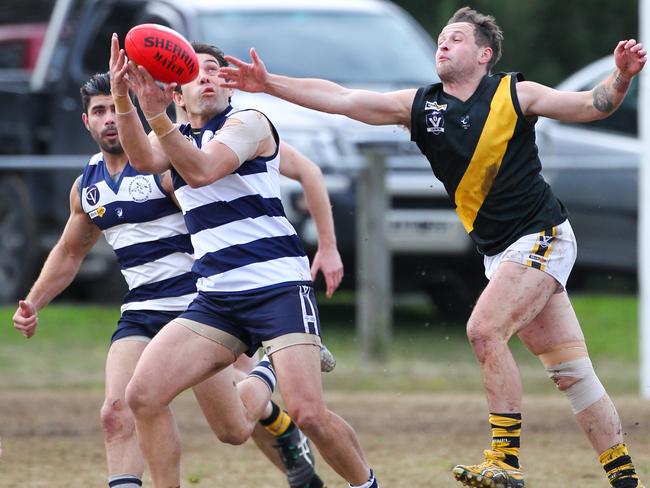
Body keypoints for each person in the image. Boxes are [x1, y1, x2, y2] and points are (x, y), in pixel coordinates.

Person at [219, 7, 647, 488]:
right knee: (571, 373)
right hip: (500, 253)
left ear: (484, 55)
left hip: (541, 235)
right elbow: (342, 98)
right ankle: (625, 479)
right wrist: (269, 82)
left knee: (484, 331)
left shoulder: (514, 93)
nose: (443, 44)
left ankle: (504, 462)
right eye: (441, 37)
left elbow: (593, 104)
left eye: (457, 38)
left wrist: (621, 76)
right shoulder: (421, 106)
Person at [11, 71, 343, 488]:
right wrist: (34, 302)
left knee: (235, 428)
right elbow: (70, 251)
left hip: (198, 308)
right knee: (117, 411)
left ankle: (269, 371)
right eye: (99, 112)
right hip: (141, 312)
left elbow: (223, 203)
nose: (110, 118)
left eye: (116, 108)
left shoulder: (167, 161)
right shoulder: (88, 186)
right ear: (86, 122)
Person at [109, 37, 379, 488]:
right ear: (178, 93)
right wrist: (123, 95)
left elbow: (200, 170)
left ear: (230, 88)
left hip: (277, 288)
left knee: (309, 414)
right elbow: (142, 157)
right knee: (144, 396)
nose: (208, 77)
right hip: (216, 297)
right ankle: (266, 369)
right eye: (196, 73)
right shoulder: (177, 139)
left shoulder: (249, 122)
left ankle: (366, 484)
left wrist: (154, 114)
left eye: (215, 70)